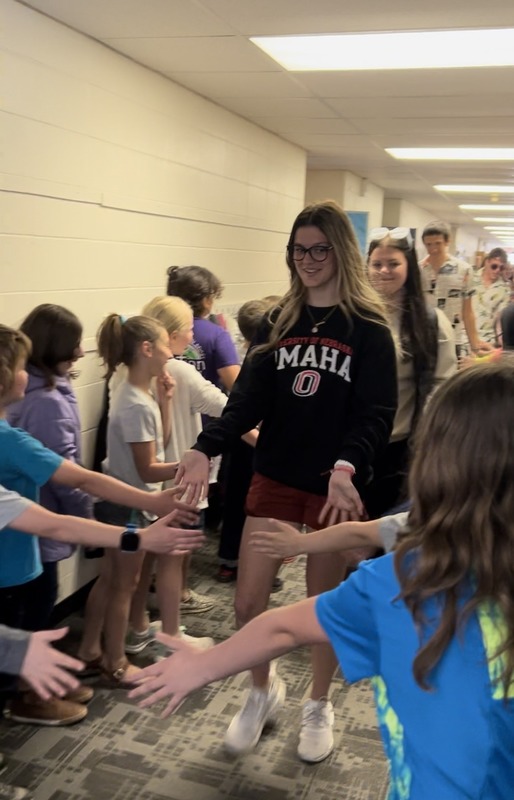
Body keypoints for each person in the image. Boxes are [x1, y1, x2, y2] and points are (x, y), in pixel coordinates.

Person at [131, 361, 514, 799]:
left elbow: (283, 628)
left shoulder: (398, 582)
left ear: (433, 464)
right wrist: (302, 542)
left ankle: (317, 703)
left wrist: (204, 664)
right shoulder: (396, 574)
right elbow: (340, 559)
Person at [175, 200, 397, 762]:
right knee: (248, 602)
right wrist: (204, 448)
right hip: (276, 474)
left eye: (320, 249)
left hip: (334, 486)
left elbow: (375, 414)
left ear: (341, 252)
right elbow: (246, 401)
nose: (309, 260)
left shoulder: (369, 329)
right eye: (300, 250)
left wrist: (348, 465)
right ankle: (261, 691)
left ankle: (318, 703)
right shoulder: (279, 321)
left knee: (322, 608)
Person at [0, 324, 199, 725]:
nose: (29, 373)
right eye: (22, 367)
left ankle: (31, 689)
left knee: (23, 642)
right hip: (11, 571)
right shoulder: (12, 440)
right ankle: (25, 697)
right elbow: (65, 513)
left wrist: (150, 506)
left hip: (23, 560)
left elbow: (76, 492)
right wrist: (143, 529)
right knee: (14, 651)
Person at [76, 314, 200, 685]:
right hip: (128, 506)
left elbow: (159, 445)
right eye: (165, 345)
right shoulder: (134, 403)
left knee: (110, 580)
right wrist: (191, 464)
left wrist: (166, 401)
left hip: (124, 502)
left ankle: (90, 650)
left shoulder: (138, 394)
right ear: (147, 349)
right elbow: (148, 469)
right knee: (124, 586)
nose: (170, 353)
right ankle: (115, 661)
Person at [7, 304, 91, 635]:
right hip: (37, 529)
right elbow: (68, 476)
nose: (80, 352)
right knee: (33, 618)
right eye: (74, 344)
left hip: (25, 527)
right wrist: (86, 523)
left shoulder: (35, 392)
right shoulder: (45, 400)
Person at [363, 227, 456, 517]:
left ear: (409, 267)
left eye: (393, 263)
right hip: (353, 444)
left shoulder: (430, 322)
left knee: (388, 525)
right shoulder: (353, 316)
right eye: (377, 264)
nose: (384, 271)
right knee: (344, 528)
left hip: (402, 445)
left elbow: (442, 383)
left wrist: (428, 434)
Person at [419, 219, 489, 356]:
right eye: (428, 244)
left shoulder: (464, 270)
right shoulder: (417, 269)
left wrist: (475, 347)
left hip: (452, 338)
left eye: (438, 243)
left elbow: (468, 312)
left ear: (447, 242)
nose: (433, 249)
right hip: (424, 337)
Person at [472, 247, 510, 346]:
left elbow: (499, 320)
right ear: (487, 262)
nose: (497, 270)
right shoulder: (470, 278)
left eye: (501, 268)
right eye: (494, 266)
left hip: (487, 340)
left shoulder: (504, 290)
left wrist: (502, 343)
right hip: (466, 336)